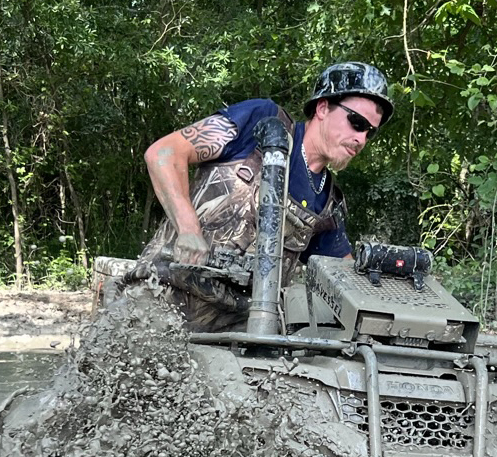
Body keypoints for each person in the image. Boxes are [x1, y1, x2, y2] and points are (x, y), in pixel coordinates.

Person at [131, 62, 392, 332]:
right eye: (356, 122)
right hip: (159, 301)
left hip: (234, 337)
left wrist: (392, 287)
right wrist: (188, 228)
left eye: (369, 132)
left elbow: (343, 274)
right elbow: (163, 154)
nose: (361, 138)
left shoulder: (326, 202)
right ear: (323, 108)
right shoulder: (262, 122)